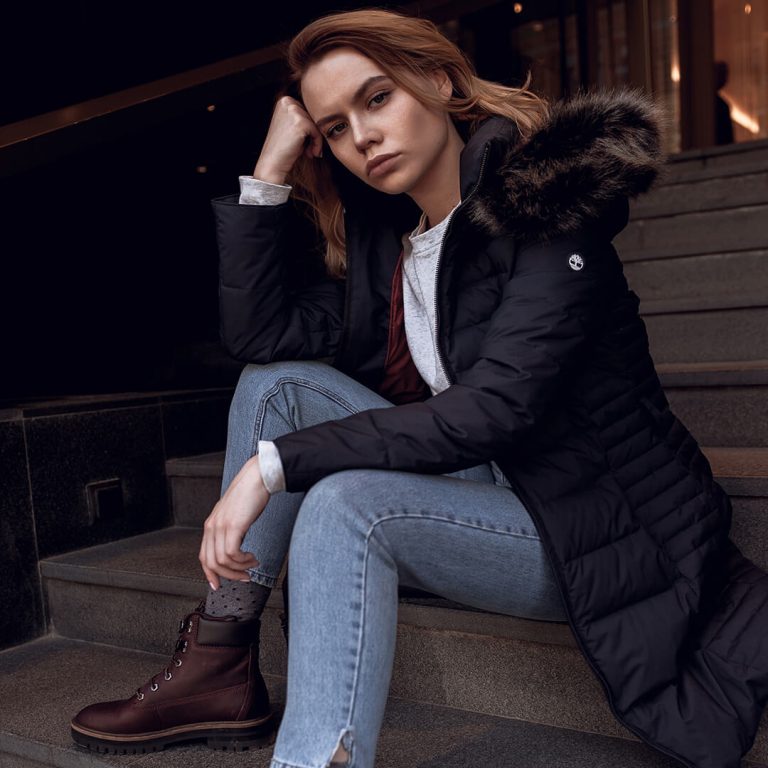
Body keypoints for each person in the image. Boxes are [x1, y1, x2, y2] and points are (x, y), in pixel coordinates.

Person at [71, 8, 768, 768]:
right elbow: (259, 339)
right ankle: (222, 653)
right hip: (491, 484)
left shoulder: (544, 205)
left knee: (345, 504)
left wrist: (272, 467)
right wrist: (269, 174)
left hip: (595, 523)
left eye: (377, 99)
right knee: (276, 385)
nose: (363, 137)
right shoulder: (395, 246)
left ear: (438, 81)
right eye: (335, 128)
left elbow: (496, 409)